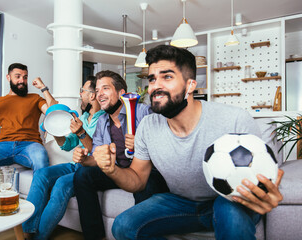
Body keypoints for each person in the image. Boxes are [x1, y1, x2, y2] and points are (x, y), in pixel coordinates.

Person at [91, 45, 284, 240]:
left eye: (167, 77)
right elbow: (138, 180)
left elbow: (264, 178)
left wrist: (267, 190)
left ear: (190, 85)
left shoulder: (234, 119)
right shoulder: (148, 126)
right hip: (181, 203)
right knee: (123, 226)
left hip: (229, 200)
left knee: (231, 213)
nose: (155, 86)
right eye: (152, 79)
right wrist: (111, 170)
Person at [72, 70, 169, 240]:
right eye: (97, 90)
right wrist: (84, 159)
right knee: (82, 174)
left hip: (147, 172)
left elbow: (166, 144)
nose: (99, 94)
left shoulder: (144, 112)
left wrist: (142, 144)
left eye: (105, 88)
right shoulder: (102, 121)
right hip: (119, 171)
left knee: (146, 185)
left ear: (121, 93)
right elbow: (97, 158)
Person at [22, 76, 105, 240]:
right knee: (41, 174)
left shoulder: (103, 119)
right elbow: (67, 145)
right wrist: (56, 131)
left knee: (61, 184)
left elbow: (93, 150)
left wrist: (81, 133)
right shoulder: (82, 118)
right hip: (75, 165)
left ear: (92, 95)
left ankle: (39, 238)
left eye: (82, 91)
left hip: (90, 169)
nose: (80, 94)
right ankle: (27, 231)